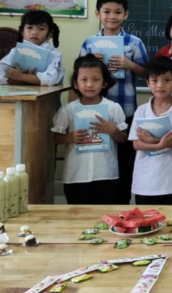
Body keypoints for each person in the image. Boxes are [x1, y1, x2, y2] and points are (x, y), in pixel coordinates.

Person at [80, 0, 148, 204]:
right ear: (97, 13)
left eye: (118, 12)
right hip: (97, 112)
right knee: (99, 157)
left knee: (125, 160)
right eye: (106, 11)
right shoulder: (89, 43)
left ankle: (123, 202)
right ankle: (100, 200)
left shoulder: (134, 43)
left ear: (126, 14)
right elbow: (79, 75)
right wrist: (91, 61)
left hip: (126, 112)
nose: (112, 16)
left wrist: (130, 65)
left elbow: (147, 73)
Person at [51, 55, 126, 205]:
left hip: (105, 174)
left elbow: (123, 138)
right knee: (78, 214)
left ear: (104, 83)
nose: (90, 84)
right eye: (84, 80)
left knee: (104, 214)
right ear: (76, 84)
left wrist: (112, 131)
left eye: (96, 79)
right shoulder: (68, 110)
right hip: (76, 175)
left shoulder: (113, 108)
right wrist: (69, 138)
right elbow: (55, 138)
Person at [128, 56, 172, 206]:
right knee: (146, 218)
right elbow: (136, 144)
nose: (160, 85)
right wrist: (161, 144)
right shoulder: (141, 111)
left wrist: (150, 140)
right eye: (154, 80)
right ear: (148, 83)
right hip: (145, 181)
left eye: (167, 80)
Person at [0, 9, 64, 86]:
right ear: (22, 32)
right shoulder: (15, 51)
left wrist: (21, 77)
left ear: (49, 34)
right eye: (29, 28)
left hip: (45, 93)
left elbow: (51, 79)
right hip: (17, 91)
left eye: (41, 29)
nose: (34, 33)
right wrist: (16, 79)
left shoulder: (54, 54)